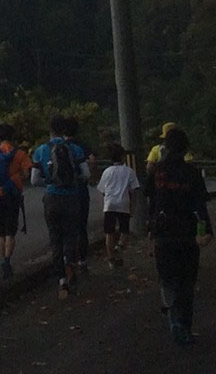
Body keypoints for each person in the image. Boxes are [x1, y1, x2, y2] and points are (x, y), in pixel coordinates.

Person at [146, 126, 213, 345]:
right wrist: (205, 231)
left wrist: (150, 228)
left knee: (167, 279)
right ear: (185, 149)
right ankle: (185, 325)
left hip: (163, 234)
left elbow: (151, 202)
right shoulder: (192, 173)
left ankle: (173, 318)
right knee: (186, 281)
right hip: (187, 233)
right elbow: (200, 206)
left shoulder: (157, 172)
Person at [30, 114, 87, 296]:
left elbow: (33, 180)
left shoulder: (40, 150)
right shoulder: (76, 149)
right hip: (71, 198)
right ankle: (70, 263)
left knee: (55, 237)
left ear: (50, 129)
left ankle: (61, 280)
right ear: (64, 130)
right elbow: (85, 174)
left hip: (52, 198)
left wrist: (50, 181)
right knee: (71, 235)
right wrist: (72, 181)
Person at [0, 123, 31, 279]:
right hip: (13, 195)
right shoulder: (20, 154)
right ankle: (7, 260)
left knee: (1, 232)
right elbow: (27, 174)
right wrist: (15, 178)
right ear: (12, 136)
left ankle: (3, 260)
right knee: (11, 231)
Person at [94, 143, 140, 269]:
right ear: (123, 157)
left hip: (109, 204)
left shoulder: (107, 172)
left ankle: (111, 258)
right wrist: (133, 205)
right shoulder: (129, 172)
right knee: (125, 230)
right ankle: (119, 246)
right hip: (123, 203)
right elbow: (133, 190)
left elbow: (102, 190)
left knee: (109, 232)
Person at [64, 118, 96, 271]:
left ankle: (67, 259)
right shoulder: (82, 145)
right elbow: (91, 160)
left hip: (62, 191)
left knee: (66, 227)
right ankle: (82, 259)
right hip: (80, 190)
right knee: (81, 226)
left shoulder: (58, 146)